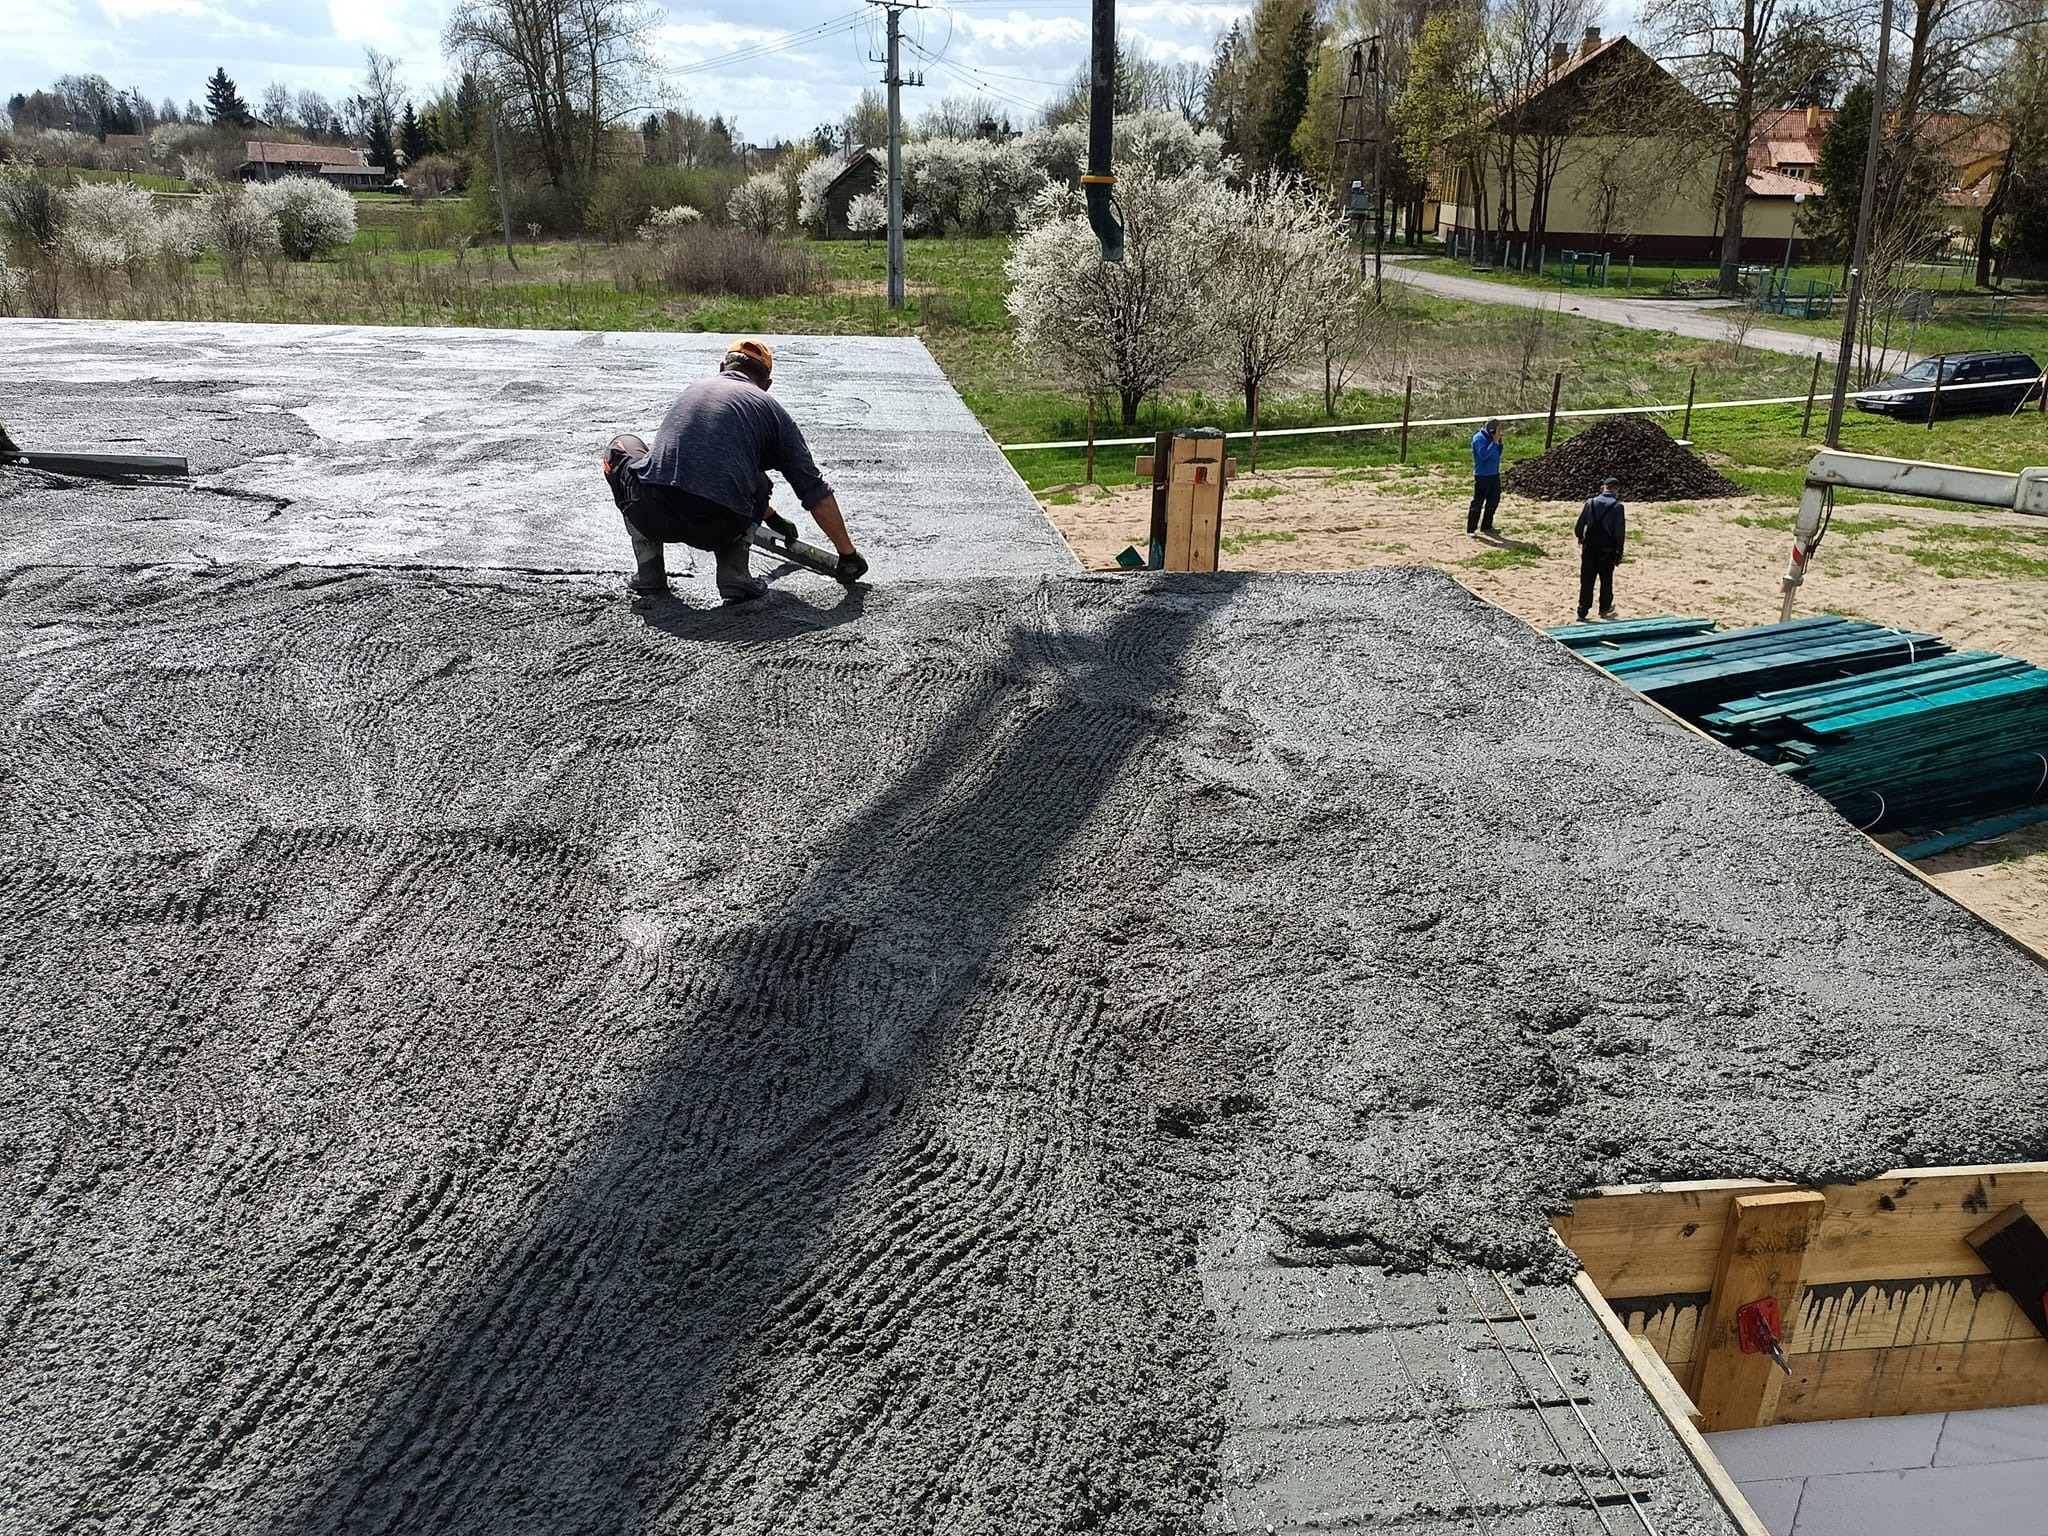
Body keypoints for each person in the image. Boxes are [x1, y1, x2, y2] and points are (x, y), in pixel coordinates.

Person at [604, 339, 866, 603]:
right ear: (766, 385)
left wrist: (772, 518)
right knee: (759, 480)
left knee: (620, 448)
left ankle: (649, 571)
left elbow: (692, 465)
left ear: (722, 368)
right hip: (718, 528)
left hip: (653, 514)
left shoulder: (694, 389)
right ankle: (735, 573)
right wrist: (847, 554)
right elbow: (815, 492)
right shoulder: (773, 412)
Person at [1574, 475, 1626, 622]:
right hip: (1607, 550)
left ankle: (1582, 610)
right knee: (1606, 580)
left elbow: (1579, 525)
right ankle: (1604, 608)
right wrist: (1619, 552)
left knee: (1587, 580)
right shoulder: (1617, 507)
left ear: (1603, 487)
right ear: (1617, 490)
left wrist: (1580, 537)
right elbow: (1619, 532)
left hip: (1589, 548)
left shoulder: (1590, 503)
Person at [1468, 418, 1504, 536]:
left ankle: (1487, 526)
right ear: (1492, 430)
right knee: (1478, 501)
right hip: (1483, 475)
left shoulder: (1493, 438)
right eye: (1498, 430)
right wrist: (1493, 442)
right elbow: (1483, 455)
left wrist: (1499, 443)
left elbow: (1498, 453)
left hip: (1494, 474)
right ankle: (1471, 529)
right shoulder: (1479, 439)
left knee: (1494, 499)